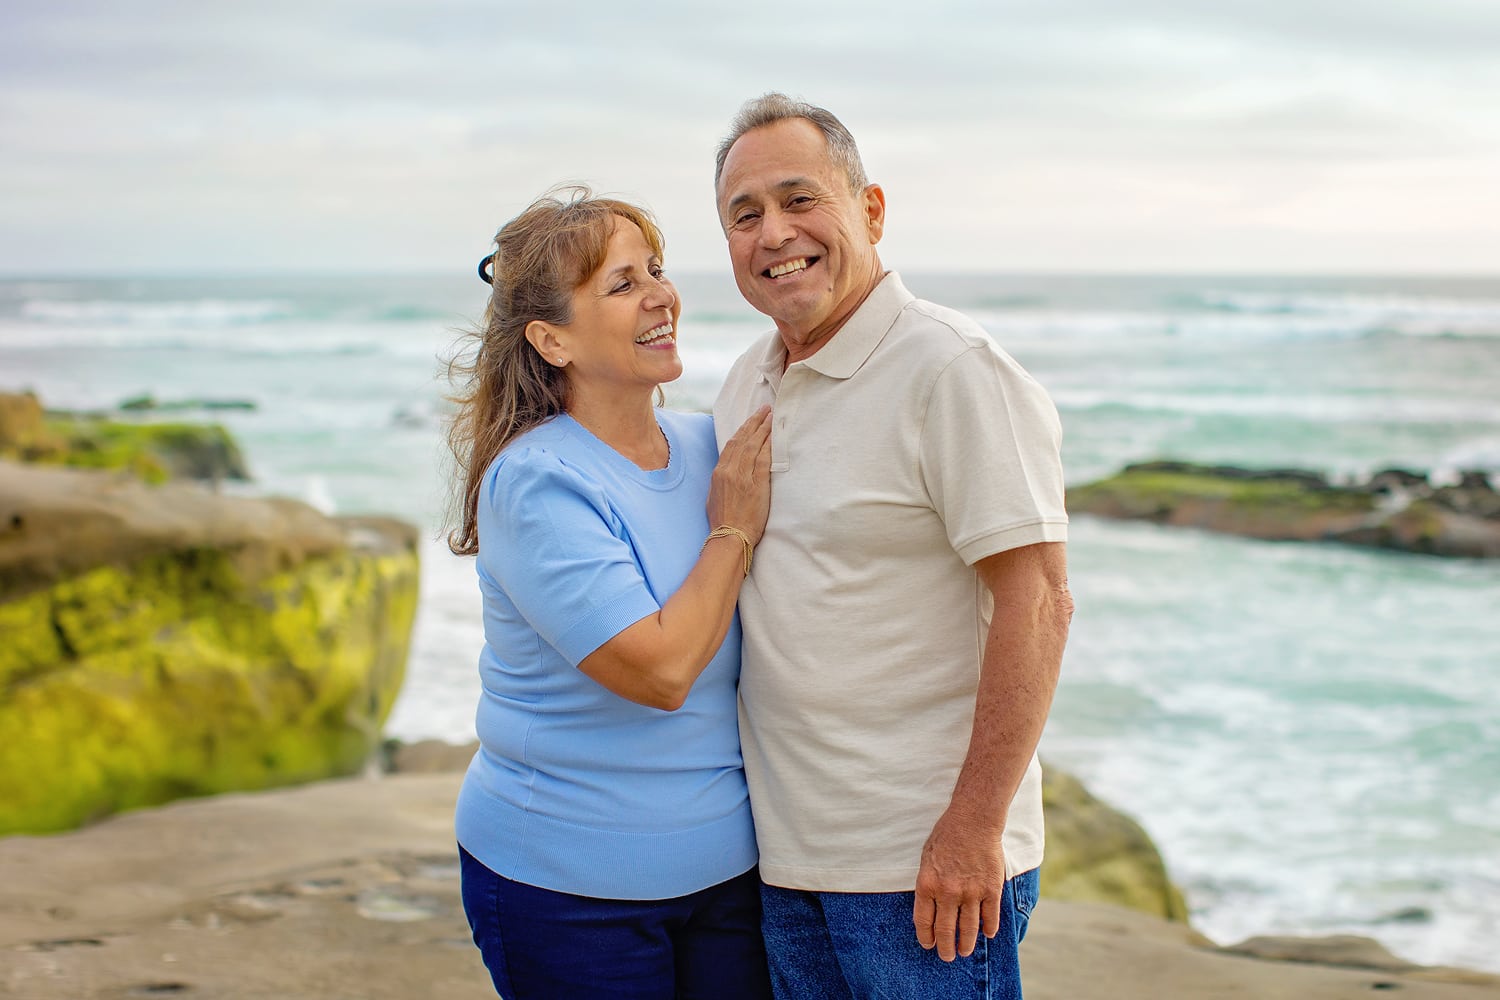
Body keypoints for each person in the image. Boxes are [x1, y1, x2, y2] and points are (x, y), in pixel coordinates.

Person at [711, 94, 1074, 999]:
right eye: (743, 214)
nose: (773, 233)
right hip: (788, 859)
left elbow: (1040, 604)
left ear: (870, 210)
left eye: (801, 200)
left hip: (922, 870)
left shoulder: (954, 370)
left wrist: (972, 828)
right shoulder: (742, 383)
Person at [446, 187, 774, 1000]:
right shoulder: (536, 482)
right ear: (550, 338)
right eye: (622, 284)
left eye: (656, 270)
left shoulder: (712, 445)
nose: (661, 296)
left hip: (730, 877)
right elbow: (659, 673)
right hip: (565, 891)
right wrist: (731, 532)